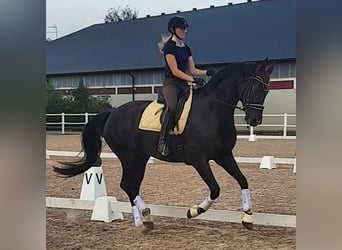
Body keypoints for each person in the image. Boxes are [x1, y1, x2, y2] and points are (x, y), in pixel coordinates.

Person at [157, 16, 216, 156]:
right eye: (181, 28)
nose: (184, 31)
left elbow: (193, 69)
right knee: (172, 108)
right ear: (173, 30)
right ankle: (162, 141)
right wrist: (192, 79)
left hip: (184, 83)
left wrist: (207, 72)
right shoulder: (169, 48)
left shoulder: (186, 48)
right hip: (171, 84)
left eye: (185, 29)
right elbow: (175, 71)